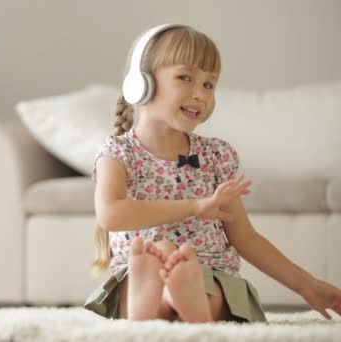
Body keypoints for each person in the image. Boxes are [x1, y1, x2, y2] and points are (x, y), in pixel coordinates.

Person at [84, 24, 341, 323]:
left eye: (209, 84)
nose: (200, 94)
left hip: (208, 274)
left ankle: (177, 295)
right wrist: (195, 206)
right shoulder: (117, 153)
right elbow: (111, 214)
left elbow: (244, 237)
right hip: (140, 270)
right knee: (159, 253)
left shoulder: (216, 156)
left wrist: (306, 285)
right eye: (185, 77)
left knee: (210, 285)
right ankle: (162, 296)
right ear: (140, 84)